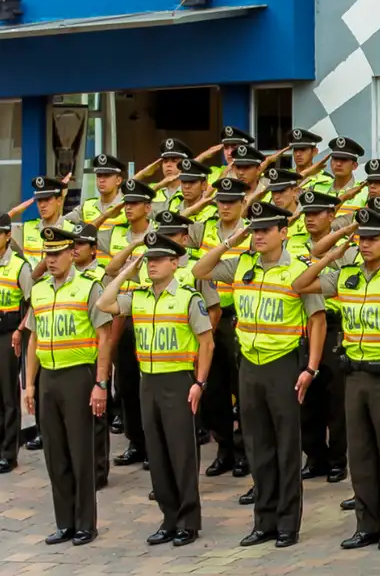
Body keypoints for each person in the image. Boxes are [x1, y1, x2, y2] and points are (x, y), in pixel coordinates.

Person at [292, 207, 380, 551]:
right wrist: (335, 253)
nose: (365, 245)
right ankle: (365, 524)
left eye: (373, 239)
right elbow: (299, 285)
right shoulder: (347, 275)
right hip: (354, 375)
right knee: (362, 453)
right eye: (362, 238)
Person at [193, 202, 326, 548]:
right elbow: (201, 268)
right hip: (249, 365)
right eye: (254, 230)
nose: (259, 236)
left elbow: (317, 319)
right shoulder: (242, 264)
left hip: (283, 365)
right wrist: (230, 240)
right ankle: (263, 521)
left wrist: (311, 368)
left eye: (266, 229)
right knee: (257, 446)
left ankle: (287, 523)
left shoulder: (299, 269)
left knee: (285, 446)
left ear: (284, 232)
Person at [97, 233, 214, 547]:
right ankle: (169, 518)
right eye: (149, 260)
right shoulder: (139, 297)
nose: (152, 265)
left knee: (181, 453)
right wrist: (127, 269)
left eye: (159, 260)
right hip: (148, 381)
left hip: (179, 381)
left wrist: (199, 383)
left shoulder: (189, 298)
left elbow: (207, 343)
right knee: (158, 453)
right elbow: (103, 302)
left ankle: (188, 520)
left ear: (175, 263)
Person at [23, 226, 113, 546]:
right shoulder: (40, 290)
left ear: (71, 254)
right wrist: (29, 386)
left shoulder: (88, 287)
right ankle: (65, 522)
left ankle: (85, 523)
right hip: (48, 376)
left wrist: (101, 382)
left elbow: (104, 336)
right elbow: (33, 336)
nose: (50, 260)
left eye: (57, 254)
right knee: (55, 453)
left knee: (80, 452)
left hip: (78, 375)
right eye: (47, 254)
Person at [188, 177, 252, 479]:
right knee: (214, 390)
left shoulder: (253, 233)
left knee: (242, 390)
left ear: (243, 203)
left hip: (239, 317)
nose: (225, 206)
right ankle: (224, 449)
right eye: (221, 201)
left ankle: (243, 453)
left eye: (231, 201)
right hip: (208, 317)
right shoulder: (204, 231)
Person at [13, 177, 75, 452]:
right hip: (35, 301)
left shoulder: (72, 229)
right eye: (39, 200)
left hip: (66, 299)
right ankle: (39, 426)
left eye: (47, 199)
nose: (42, 205)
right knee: (35, 366)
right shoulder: (27, 230)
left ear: (60, 200)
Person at [99, 178, 155, 468]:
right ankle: (136, 442)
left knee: (152, 385)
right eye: (126, 203)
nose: (128, 208)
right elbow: (110, 270)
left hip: (154, 316)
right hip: (123, 314)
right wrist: (133, 244)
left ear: (148, 206)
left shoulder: (159, 235)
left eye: (134, 203)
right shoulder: (117, 234)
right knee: (127, 382)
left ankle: (154, 443)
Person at [295, 190, 348, 484]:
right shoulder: (295, 246)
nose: (310, 219)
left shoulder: (345, 249)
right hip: (303, 326)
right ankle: (314, 456)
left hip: (334, 326)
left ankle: (338, 459)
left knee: (335, 400)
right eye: (306, 214)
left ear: (331, 216)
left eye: (317, 213)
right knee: (306, 399)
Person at [69, 223, 110, 489]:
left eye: (81, 245)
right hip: (74, 352)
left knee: (97, 413)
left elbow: (107, 318)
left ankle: (98, 469)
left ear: (94, 249)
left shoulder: (101, 276)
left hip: (95, 350)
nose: (75, 249)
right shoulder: (68, 272)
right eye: (73, 245)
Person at [0, 214, 31, 475]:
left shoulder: (19, 266)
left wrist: (21, 330)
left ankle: (9, 453)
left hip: (8, 334)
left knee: (9, 394)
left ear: (8, 235)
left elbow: (33, 302)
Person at [66, 153, 127, 265]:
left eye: (107, 176)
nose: (102, 180)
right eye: (99, 176)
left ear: (118, 180)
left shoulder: (127, 206)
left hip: (115, 272)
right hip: (89, 272)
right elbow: (62, 224)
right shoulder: (87, 206)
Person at [326, 137, 368, 215]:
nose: (338, 164)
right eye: (335, 159)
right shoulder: (318, 189)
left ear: (354, 166)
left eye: (344, 160)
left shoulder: (365, 192)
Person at [152, 138, 194, 212]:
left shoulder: (191, 191)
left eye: (174, 161)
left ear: (185, 164)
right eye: (165, 161)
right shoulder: (153, 189)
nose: (168, 165)